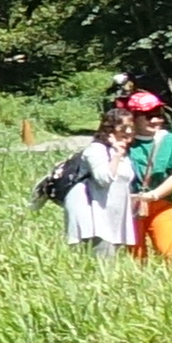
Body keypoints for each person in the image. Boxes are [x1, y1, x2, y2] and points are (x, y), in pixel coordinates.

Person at [57, 104, 132, 257]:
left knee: (110, 262)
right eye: (123, 128)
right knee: (102, 264)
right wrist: (117, 156)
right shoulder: (96, 149)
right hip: (94, 217)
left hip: (113, 217)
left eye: (131, 126)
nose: (129, 131)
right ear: (110, 129)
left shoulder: (121, 150)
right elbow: (103, 178)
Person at [123, 90, 172, 263]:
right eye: (148, 115)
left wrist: (154, 195)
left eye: (158, 114)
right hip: (128, 207)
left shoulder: (171, 141)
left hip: (161, 204)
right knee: (135, 256)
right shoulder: (122, 141)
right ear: (133, 117)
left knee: (168, 253)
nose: (155, 120)